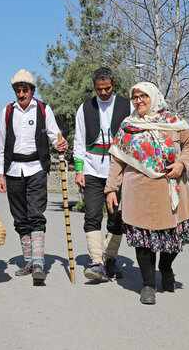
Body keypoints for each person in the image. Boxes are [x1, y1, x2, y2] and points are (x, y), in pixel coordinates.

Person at [105, 81, 189, 305]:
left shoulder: (174, 122)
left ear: (154, 97)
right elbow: (117, 160)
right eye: (135, 97)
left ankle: (166, 268)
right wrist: (111, 189)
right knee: (143, 240)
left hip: (170, 190)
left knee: (173, 238)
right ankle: (148, 284)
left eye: (143, 96)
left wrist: (182, 165)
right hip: (138, 191)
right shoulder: (128, 126)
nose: (139, 101)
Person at [0, 69, 67, 281]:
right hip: (13, 170)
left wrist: (60, 143)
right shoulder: (7, 111)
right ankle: (28, 261)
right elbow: (0, 144)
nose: (21, 94)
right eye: (17, 90)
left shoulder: (44, 110)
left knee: (36, 214)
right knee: (19, 216)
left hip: (36, 167)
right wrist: (0, 174)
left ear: (32, 90)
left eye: (25, 90)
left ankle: (38, 263)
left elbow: (55, 135)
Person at [73, 67, 132, 281]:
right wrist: (79, 169)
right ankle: (96, 261)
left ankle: (110, 259)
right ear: (95, 87)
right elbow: (79, 140)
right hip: (91, 168)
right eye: (99, 89)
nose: (103, 93)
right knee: (92, 215)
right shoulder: (85, 108)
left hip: (119, 170)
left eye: (107, 88)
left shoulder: (128, 105)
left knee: (117, 218)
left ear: (113, 85)